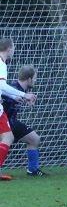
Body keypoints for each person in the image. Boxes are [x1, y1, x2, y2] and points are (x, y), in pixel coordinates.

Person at [0, 38, 37, 181]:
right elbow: (2, 85)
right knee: (8, 137)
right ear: (9, 48)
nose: (14, 50)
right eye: (13, 47)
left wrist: (14, 96)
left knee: (7, 137)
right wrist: (23, 94)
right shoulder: (1, 63)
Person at [1, 65, 47, 176]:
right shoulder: (13, 88)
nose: (35, 80)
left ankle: (33, 170)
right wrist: (15, 97)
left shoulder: (20, 90)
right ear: (29, 79)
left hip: (11, 122)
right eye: (35, 78)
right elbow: (3, 94)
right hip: (5, 122)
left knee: (34, 139)